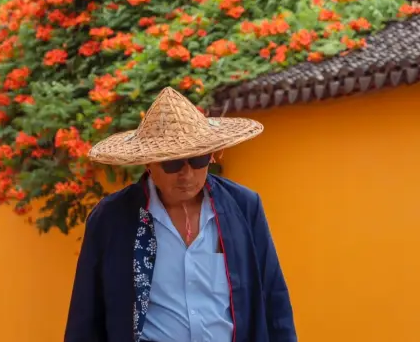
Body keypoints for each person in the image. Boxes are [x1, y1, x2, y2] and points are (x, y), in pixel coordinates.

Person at [64, 87, 296, 342]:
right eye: (173, 163)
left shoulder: (243, 206)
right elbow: (85, 315)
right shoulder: (112, 219)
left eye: (198, 160)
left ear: (212, 155)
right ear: (149, 163)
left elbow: (273, 298)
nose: (187, 174)